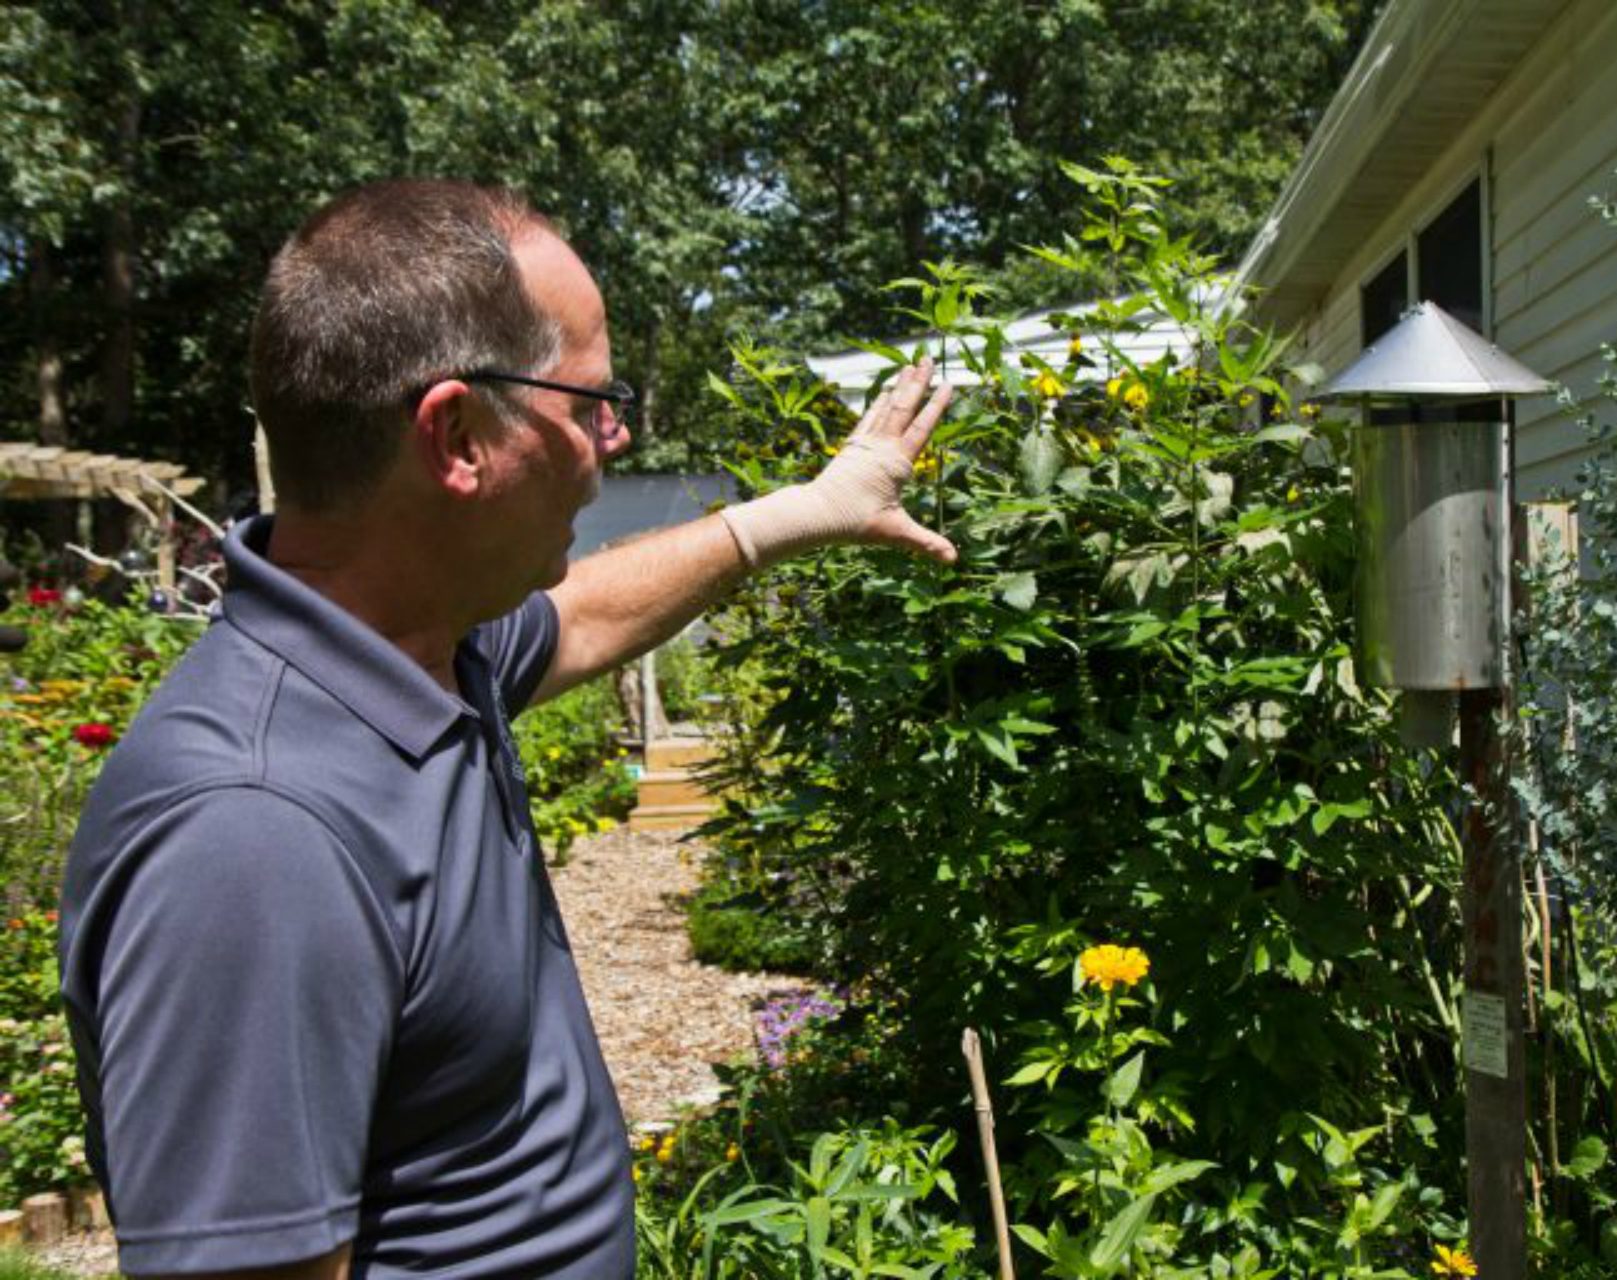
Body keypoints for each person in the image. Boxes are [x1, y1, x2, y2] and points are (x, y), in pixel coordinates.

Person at [57, 179, 955, 1280]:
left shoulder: (425, 649)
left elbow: (579, 616)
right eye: (590, 403)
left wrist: (806, 509)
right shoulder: (256, 831)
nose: (614, 435)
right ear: (459, 434)